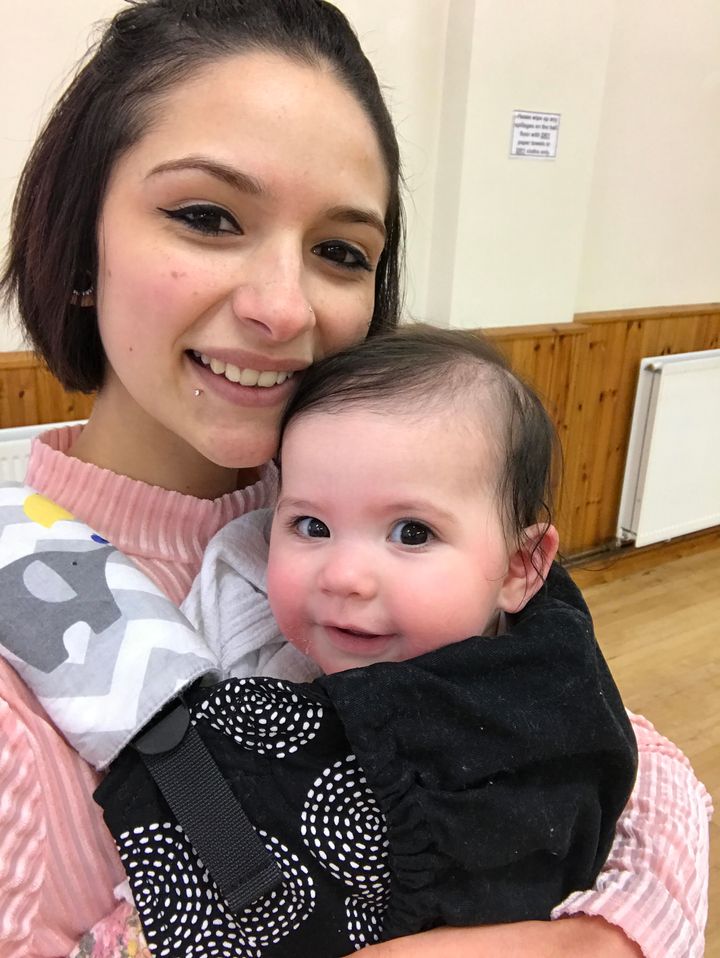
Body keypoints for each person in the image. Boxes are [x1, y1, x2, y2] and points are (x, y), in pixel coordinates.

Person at [0, 1, 710, 956]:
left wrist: (598, 939)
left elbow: (630, 759)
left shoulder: (390, 504)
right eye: (206, 217)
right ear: (79, 239)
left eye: (341, 251)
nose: (284, 306)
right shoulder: (29, 605)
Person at [91, 325, 637, 956]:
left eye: (411, 533)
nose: (344, 577)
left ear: (520, 569)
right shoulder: (245, 639)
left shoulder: (545, 691)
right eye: (311, 525)